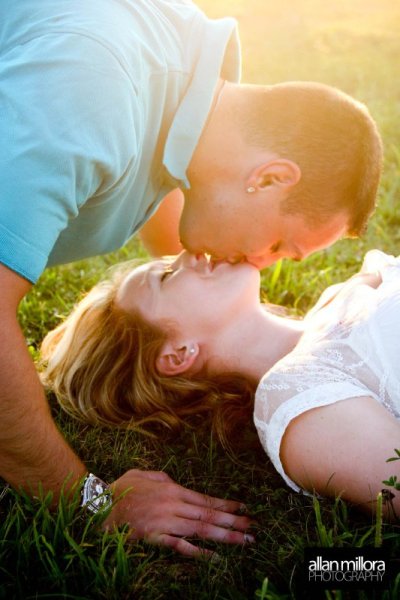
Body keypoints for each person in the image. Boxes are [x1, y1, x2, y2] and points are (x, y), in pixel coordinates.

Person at [0, 0, 383, 553]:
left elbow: (164, 184)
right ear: (269, 177)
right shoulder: (90, 89)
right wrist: (84, 498)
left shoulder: (187, 72)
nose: (258, 263)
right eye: (277, 245)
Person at [41, 249, 400, 518]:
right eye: (167, 275)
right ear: (178, 354)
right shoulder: (293, 401)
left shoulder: (337, 296)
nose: (190, 252)